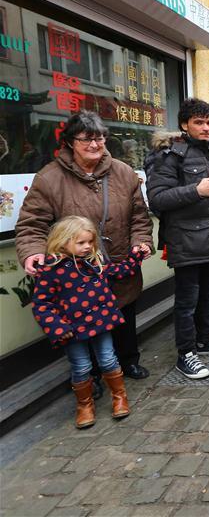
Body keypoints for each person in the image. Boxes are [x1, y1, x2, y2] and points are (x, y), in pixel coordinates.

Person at [15, 112, 154, 382]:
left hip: (117, 260)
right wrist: (32, 250)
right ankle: (89, 377)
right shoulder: (50, 178)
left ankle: (128, 361)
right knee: (82, 323)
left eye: (100, 138)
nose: (95, 145)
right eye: (86, 139)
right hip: (75, 271)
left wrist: (141, 242)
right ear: (69, 142)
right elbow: (32, 224)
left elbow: (139, 216)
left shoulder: (123, 172)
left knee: (124, 312)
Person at [147, 98, 209, 380]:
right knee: (187, 301)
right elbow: (157, 199)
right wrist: (195, 191)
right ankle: (185, 353)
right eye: (199, 122)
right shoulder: (170, 155)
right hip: (185, 240)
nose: (205, 128)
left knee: (208, 295)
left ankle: (205, 338)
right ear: (184, 124)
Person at [31, 216, 148, 428]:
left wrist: (135, 256)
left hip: (100, 323)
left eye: (90, 242)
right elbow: (41, 303)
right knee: (81, 366)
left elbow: (118, 272)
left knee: (108, 360)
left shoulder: (94, 263)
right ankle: (84, 405)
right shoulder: (51, 270)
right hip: (72, 330)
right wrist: (57, 327)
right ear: (63, 241)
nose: (87, 247)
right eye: (81, 243)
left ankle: (119, 397)